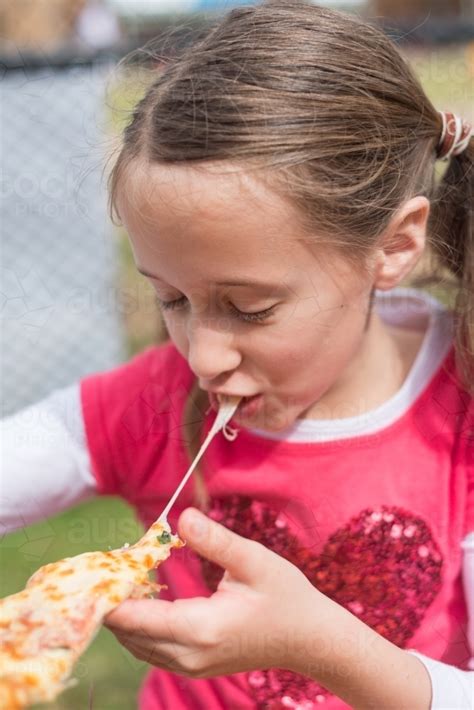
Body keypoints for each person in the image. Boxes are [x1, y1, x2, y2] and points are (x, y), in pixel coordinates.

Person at [2, 2, 473, 708]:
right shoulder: (153, 400)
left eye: (250, 308)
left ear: (395, 247)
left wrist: (320, 646)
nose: (203, 357)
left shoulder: (458, 420)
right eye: (172, 300)